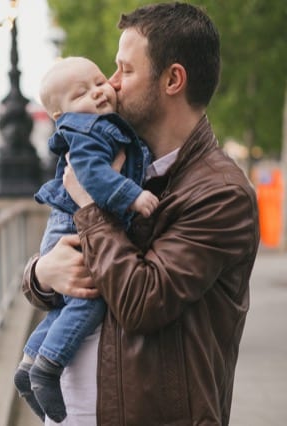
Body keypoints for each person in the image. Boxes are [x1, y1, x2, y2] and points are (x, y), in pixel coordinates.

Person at [21, 2, 260, 426]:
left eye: (125, 71)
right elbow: (77, 276)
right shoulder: (125, 164)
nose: (111, 84)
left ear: (172, 80)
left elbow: (141, 301)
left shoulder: (221, 194)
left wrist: (92, 208)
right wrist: (41, 274)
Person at [13, 56, 158, 423]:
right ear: (60, 116)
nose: (99, 90)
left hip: (70, 227)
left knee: (69, 305)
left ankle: (31, 357)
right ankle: (48, 365)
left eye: (98, 82)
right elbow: (91, 174)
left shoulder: (102, 127)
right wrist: (131, 195)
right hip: (72, 227)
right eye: (82, 93)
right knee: (89, 298)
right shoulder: (88, 132)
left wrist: (39, 273)